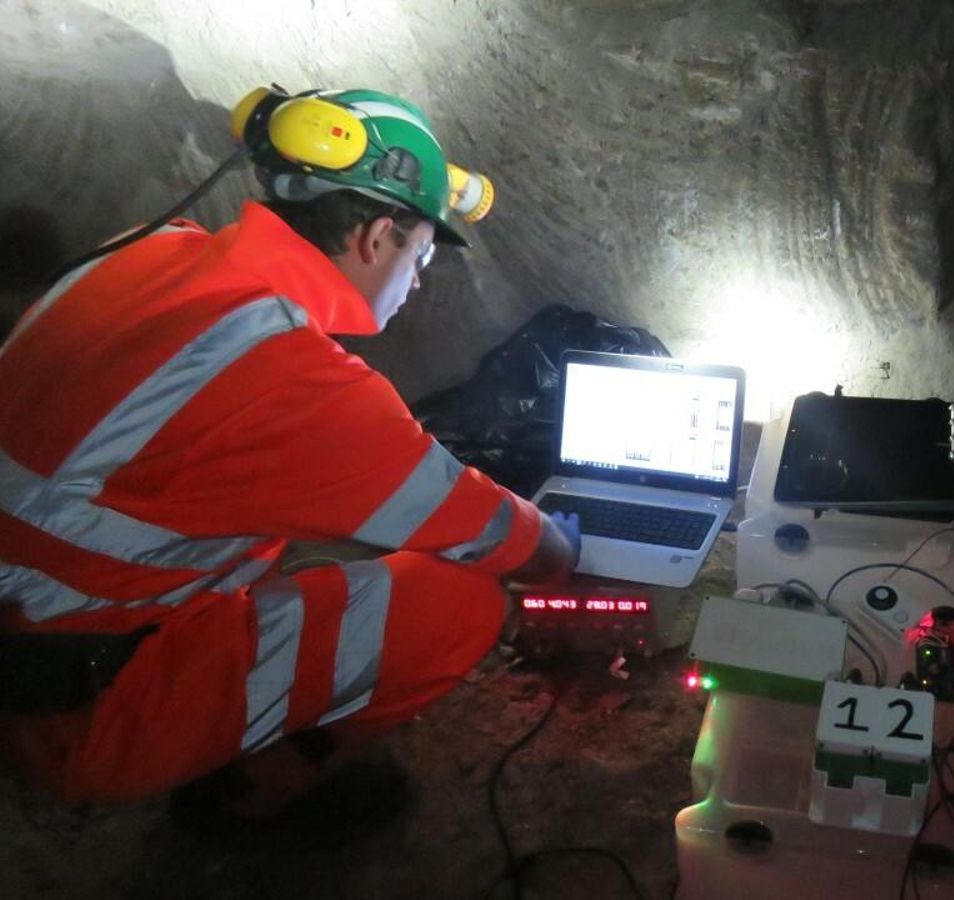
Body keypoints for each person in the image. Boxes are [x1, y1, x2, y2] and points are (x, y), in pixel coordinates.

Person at [0, 87, 579, 818]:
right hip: (73, 712)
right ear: (377, 238)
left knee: (305, 550)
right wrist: (564, 542)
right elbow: (508, 541)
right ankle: (262, 791)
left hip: (28, 627)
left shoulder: (149, 250)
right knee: (458, 603)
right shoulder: (294, 377)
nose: (418, 279)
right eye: (422, 255)